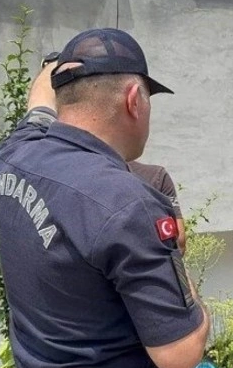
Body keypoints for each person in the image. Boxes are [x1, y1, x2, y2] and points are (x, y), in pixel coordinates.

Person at [0, 28, 209, 368]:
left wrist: (58, 66)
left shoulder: (13, 155)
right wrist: (178, 268)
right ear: (134, 100)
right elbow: (181, 354)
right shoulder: (129, 205)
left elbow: (38, 103)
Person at [26, 54, 188, 255]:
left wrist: (53, 64)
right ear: (133, 101)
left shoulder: (19, 158)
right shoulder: (149, 184)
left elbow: (37, 109)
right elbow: (178, 243)